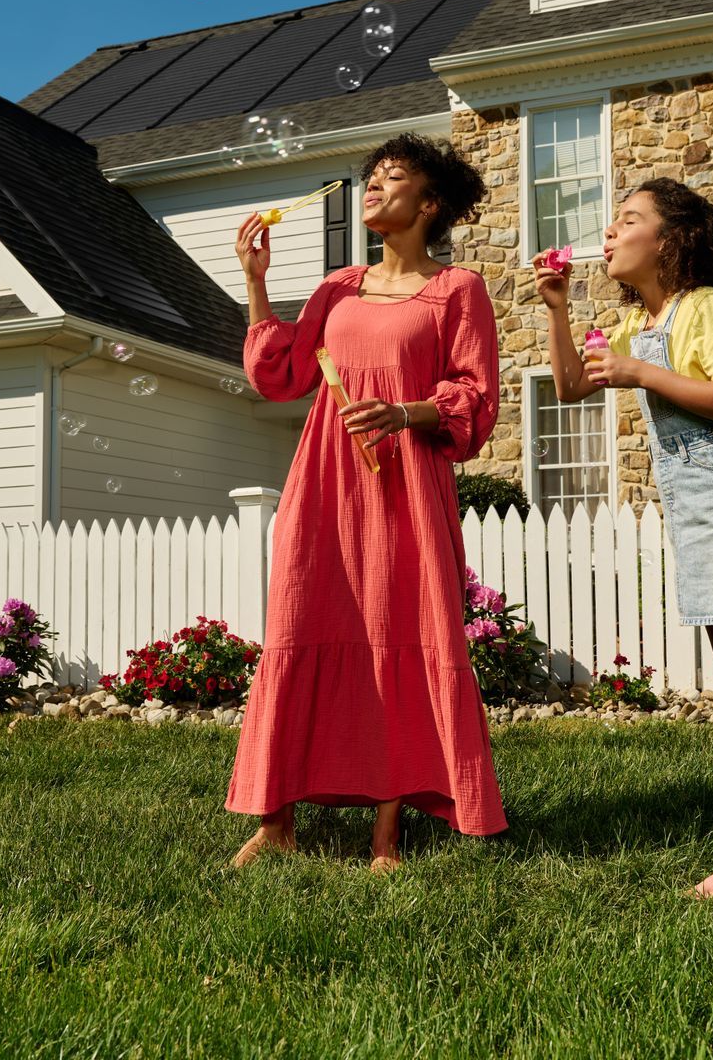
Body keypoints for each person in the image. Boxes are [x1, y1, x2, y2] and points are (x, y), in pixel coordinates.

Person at [227, 134, 506, 872]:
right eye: (371, 178)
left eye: (393, 177)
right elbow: (281, 374)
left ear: (430, 202)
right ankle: (275, 819)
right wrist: (256, 282)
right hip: (325, 483)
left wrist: (407, 412)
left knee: (394, 636)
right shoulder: (337, 288)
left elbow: (475, 401)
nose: (374, 187)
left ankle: (388, 835)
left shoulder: (459, 290)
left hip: (402, 488)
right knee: (300, 621)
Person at [533, 177, 713, 901]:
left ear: (671, 240)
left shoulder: (704, 307)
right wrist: (559, 313)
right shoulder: (639, 324)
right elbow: (569, 387)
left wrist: (640, 372)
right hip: (700, 513)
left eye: (629, 219)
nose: (611, 232)